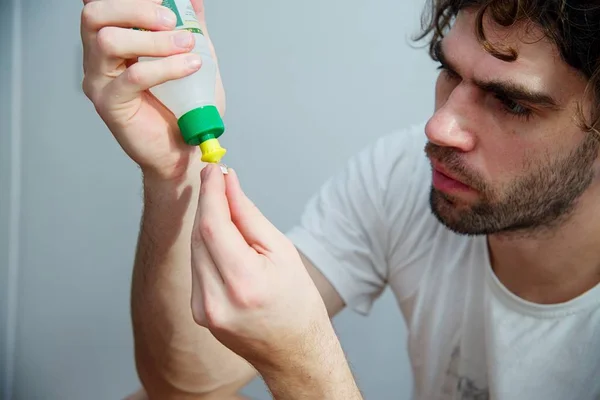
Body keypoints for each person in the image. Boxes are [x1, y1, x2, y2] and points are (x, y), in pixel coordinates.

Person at [80, 0, 600, 398]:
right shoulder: (406, 175)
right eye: (449, 73)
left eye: (510, 102)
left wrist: (302, 362)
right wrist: (173, 170)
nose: (439, 127)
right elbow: (186, 385)